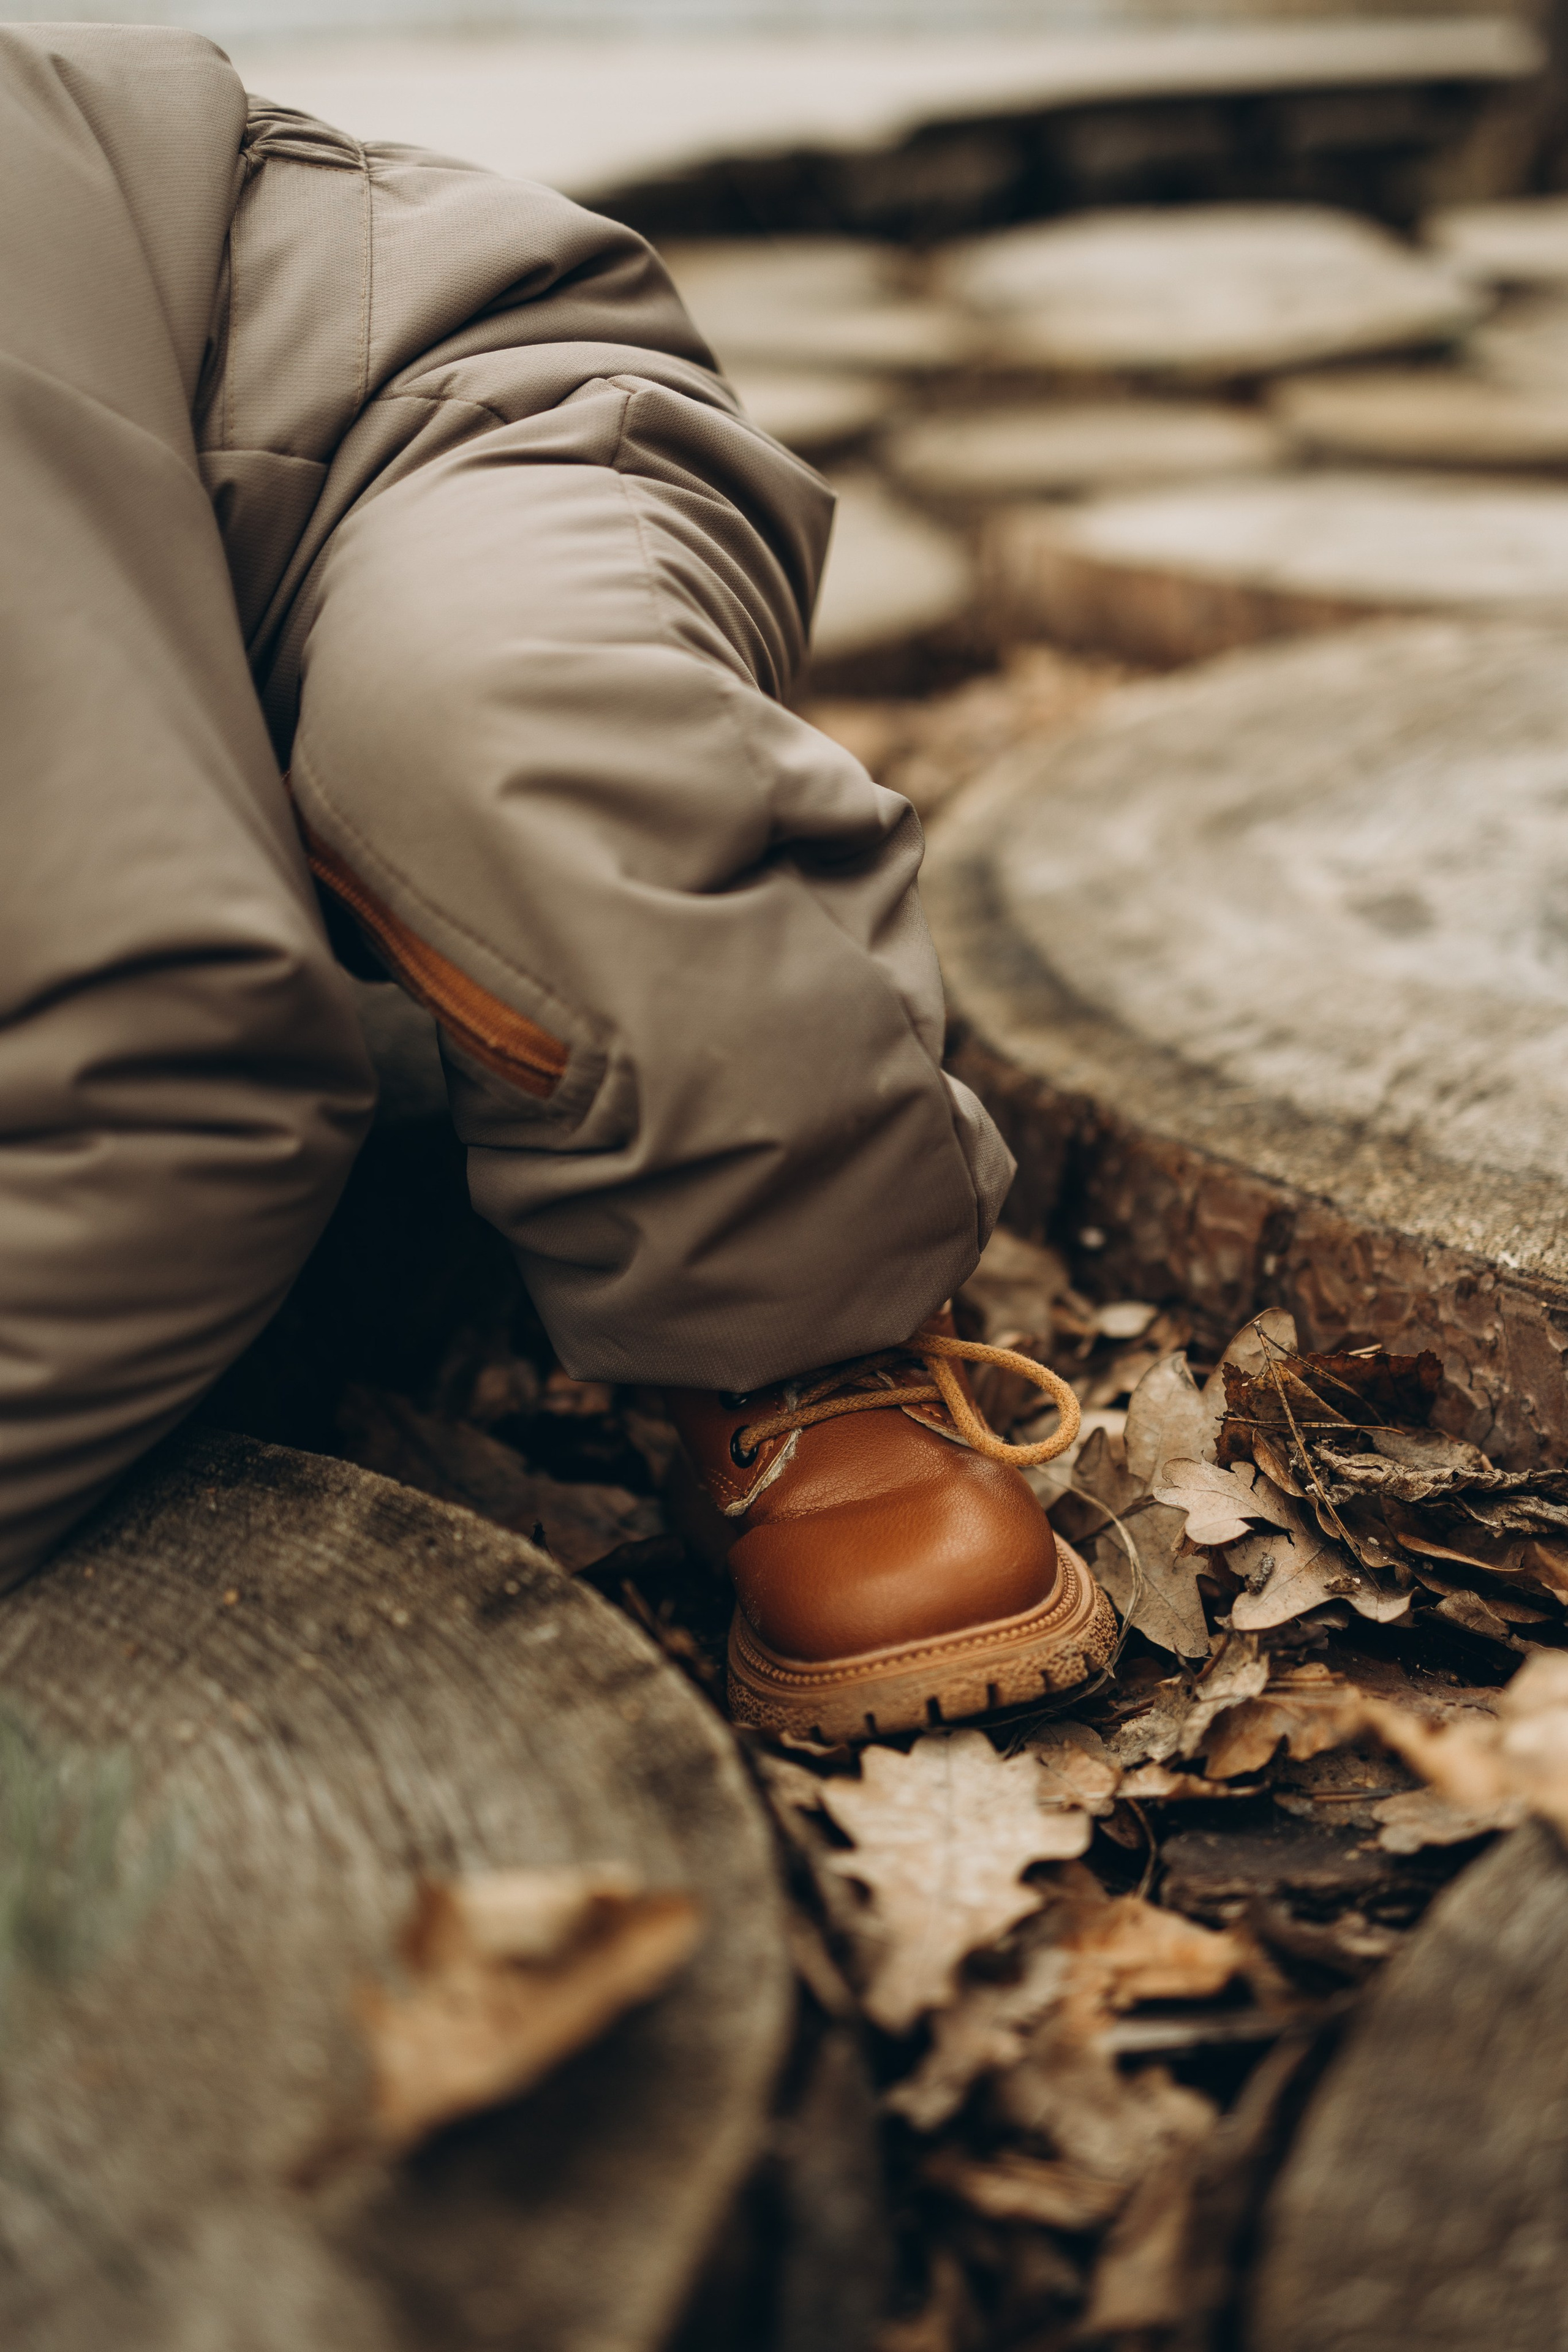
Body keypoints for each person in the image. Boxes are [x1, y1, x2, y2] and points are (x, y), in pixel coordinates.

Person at [0, 23, 1112, 1736]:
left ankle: (798, 1325)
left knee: (500, 742)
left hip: (404, 426)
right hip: (104, 643)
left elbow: (169, 1068)